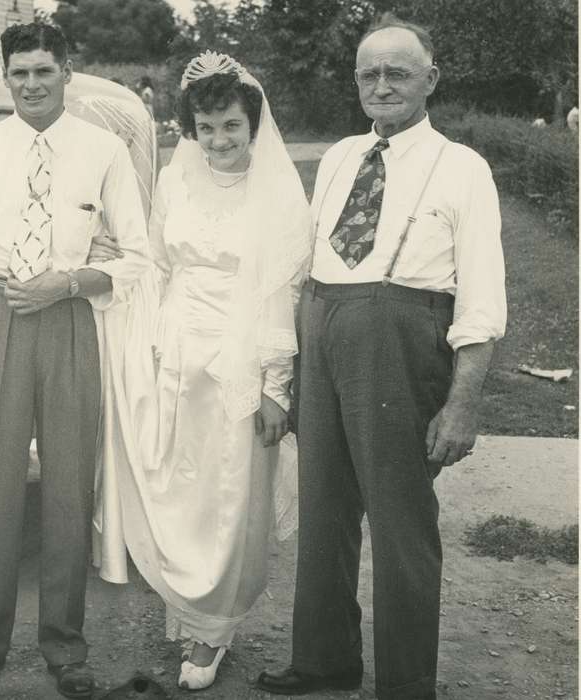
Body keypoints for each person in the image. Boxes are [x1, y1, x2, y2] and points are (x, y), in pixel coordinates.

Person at [257, 14, 506, 700]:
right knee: (324, 510)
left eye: (397, 72)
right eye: (368, 73)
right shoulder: (339, 156)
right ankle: (323, 660)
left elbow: (481, 296)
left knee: (400, 521)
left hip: (398, 338)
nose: (381, 85)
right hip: (324, 327)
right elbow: (302, 262)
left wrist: (462, 401)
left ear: (430, 79)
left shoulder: (462, 169)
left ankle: (405, 681)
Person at [0, 22, 150, 699]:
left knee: (65, 493)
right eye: (19, 72)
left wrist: (72, 281)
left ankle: (64, 645)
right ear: (5, 77)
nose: (31, 83)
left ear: (67, 71)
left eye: (43, 71)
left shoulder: (103, 150)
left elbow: (140, 258)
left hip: (71, 322)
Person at [88, 51, 312, 691]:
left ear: (253, 125)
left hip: (240, 354)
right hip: (175, 346)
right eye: (206, 128)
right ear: (191, 128)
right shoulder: (174, 180)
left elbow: (281, 291)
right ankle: (189, 613)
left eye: (231, 127)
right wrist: (117, 269)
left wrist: (274, 386)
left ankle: (213, 631)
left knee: (230, 492)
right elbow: (155, 262)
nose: (218, 141)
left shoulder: (276, 192)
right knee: (180, 487)